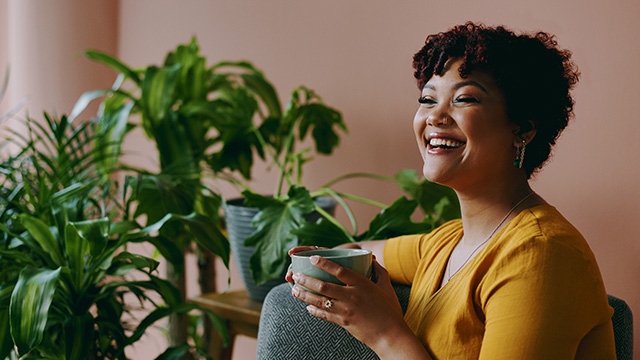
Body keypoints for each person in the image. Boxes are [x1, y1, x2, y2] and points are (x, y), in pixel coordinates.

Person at [285, 22, 616, 359]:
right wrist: (317, 268)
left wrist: (385, 334)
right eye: (428, 99)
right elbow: (356, 251)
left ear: (524, 129)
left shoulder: (542, 254)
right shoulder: (445, 244)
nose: (436, 116)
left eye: (465, 99)